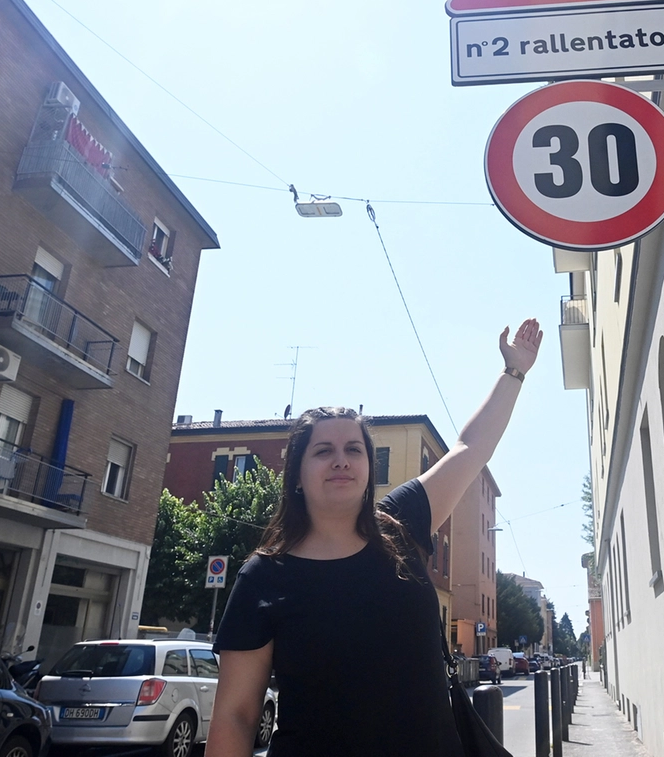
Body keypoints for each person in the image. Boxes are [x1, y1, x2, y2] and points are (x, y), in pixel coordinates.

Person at [206, 320, 543, 756]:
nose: (341, 460)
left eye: (354, 449)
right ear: (298, 476)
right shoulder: (264, 577)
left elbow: (469, 450)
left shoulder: (401, 522)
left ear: (368, 469)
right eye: (324, 451)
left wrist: (513, 372)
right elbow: (236, 715)